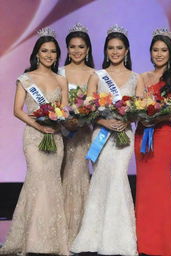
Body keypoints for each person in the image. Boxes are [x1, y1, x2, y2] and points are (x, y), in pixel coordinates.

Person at [71, 25, 144, 256]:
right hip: (101, 135)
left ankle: (119, 238)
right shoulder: (97, 76)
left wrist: (127, 117)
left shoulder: (136, 77)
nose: (115, 52)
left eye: (119, 48)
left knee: (117, 178)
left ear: (126, 50)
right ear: (105, 50)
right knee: (101, 180)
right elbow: (87, 110)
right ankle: (93, 237)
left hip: (123, 136)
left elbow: (141, 109)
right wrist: (104, 122)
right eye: (111, 48)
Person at [0, 27, 69, 255]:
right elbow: (17, 110)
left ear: (57, 55)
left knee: (51, 184)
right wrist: (39, 125)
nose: (49, 55)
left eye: (53, 52)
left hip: (55, 136)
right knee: (37, 179)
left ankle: (52, 241)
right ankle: (31, 240)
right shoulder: (26, 78)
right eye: (44, 51)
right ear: (37, 53)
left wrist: (59, 120)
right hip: (34, 136)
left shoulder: (61, 80)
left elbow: (65, 110)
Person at [135, 29, 171, 256]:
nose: (159, 54)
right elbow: (136, 105)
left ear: (170, 53)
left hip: (163, 135)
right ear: (150, 53)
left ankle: (166, 242)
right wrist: (144, 113)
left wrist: (158, 115)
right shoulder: (142, 77)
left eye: (163, 50)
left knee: (161, 185)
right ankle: (145, 242)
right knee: (145, 187)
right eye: (155, 50)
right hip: (142, 132)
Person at [58, 23, 94, 247]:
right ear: (67, 49)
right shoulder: (59, 72)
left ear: (88, 49)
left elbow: (98, 105)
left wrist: (82, 119)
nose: (77, 51)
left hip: (83, 132)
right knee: (60, 177)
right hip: (60, 132)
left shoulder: (95, 74)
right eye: (73, 47)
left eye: (81, 46)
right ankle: (60, 232)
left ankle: (80, 232)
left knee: (79, 176)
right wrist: (65, 120)